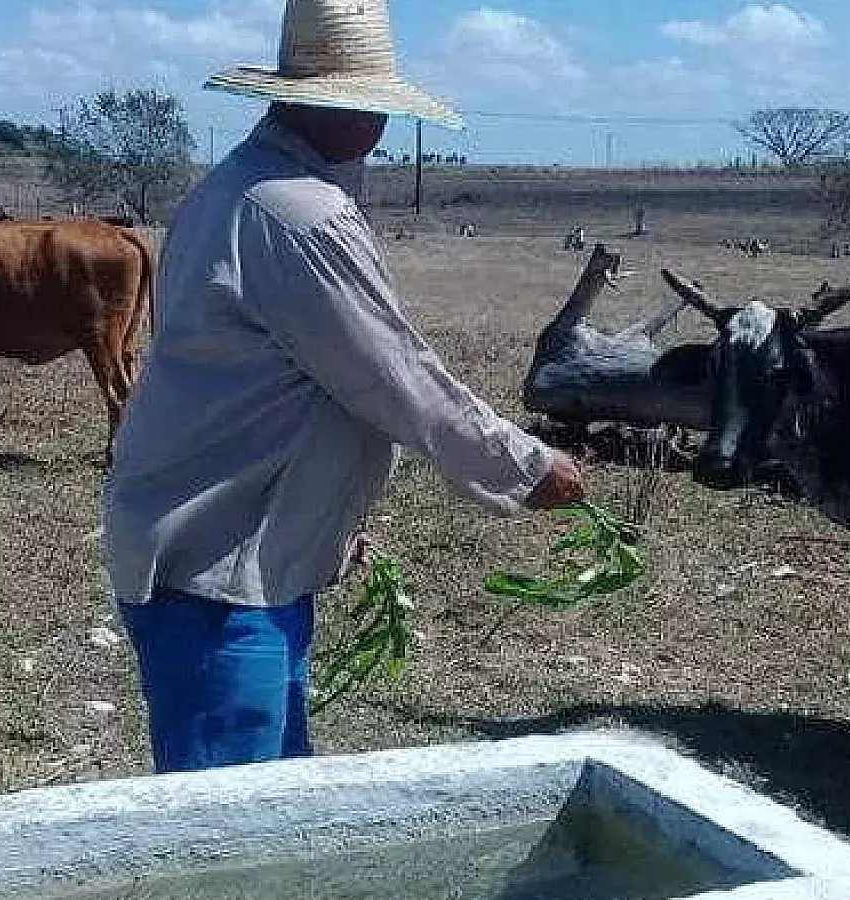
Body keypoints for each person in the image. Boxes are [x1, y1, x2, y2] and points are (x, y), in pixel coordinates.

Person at [102, 0, 586, 774]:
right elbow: (396, 381)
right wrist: (526, 468)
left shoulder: (233, 188)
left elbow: (268, 389)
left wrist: (323, 524)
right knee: (230, 832)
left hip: (232, 556)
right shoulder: (301, 216)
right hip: (219, 583)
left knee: (277, 806)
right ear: (349, 107)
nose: (380, 130)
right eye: (375, 108)